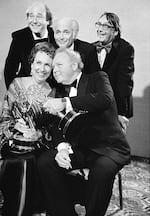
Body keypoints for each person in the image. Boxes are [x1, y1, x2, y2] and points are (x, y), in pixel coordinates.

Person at [37, 48, 131, 216]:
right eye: (53, 66)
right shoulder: (58, 91)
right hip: (81, 149)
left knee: (102, 170)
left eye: (58, 64)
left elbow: (104, 99)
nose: (54, 69)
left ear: (74, 65)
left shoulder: (98, 78)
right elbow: (55, 125)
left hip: (108, 149)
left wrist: (65, 102)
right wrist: (62, 148)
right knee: (46, 162)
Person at [0, 42, 56, 216]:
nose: (42, 68)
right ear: (31, 64)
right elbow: (4, 118)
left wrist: (38, 133)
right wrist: (15, 125)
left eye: (47, 64)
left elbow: (52, 129)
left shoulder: (54, 93)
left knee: (26, 162)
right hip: (11, 142)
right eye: (38, 63)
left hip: (35, 147)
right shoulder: (16, 84)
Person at [92, 12, 135, 133]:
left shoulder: (125, 49)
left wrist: (121, 113)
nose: (100, 29)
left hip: (116, 107)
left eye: (105, 26)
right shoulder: (91, 48)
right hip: (96, 107)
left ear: (115, 31)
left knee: (113, 146)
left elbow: (125, 83)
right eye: (99, 24)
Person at [4, 1, 56, 89]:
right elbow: (10, 70)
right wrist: (15, 93)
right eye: (31, 16)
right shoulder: (19, 37)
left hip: (52, 88)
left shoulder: (56, 35)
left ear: (47, 20)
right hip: (26, 88)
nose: (34, 21)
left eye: (39, 16)